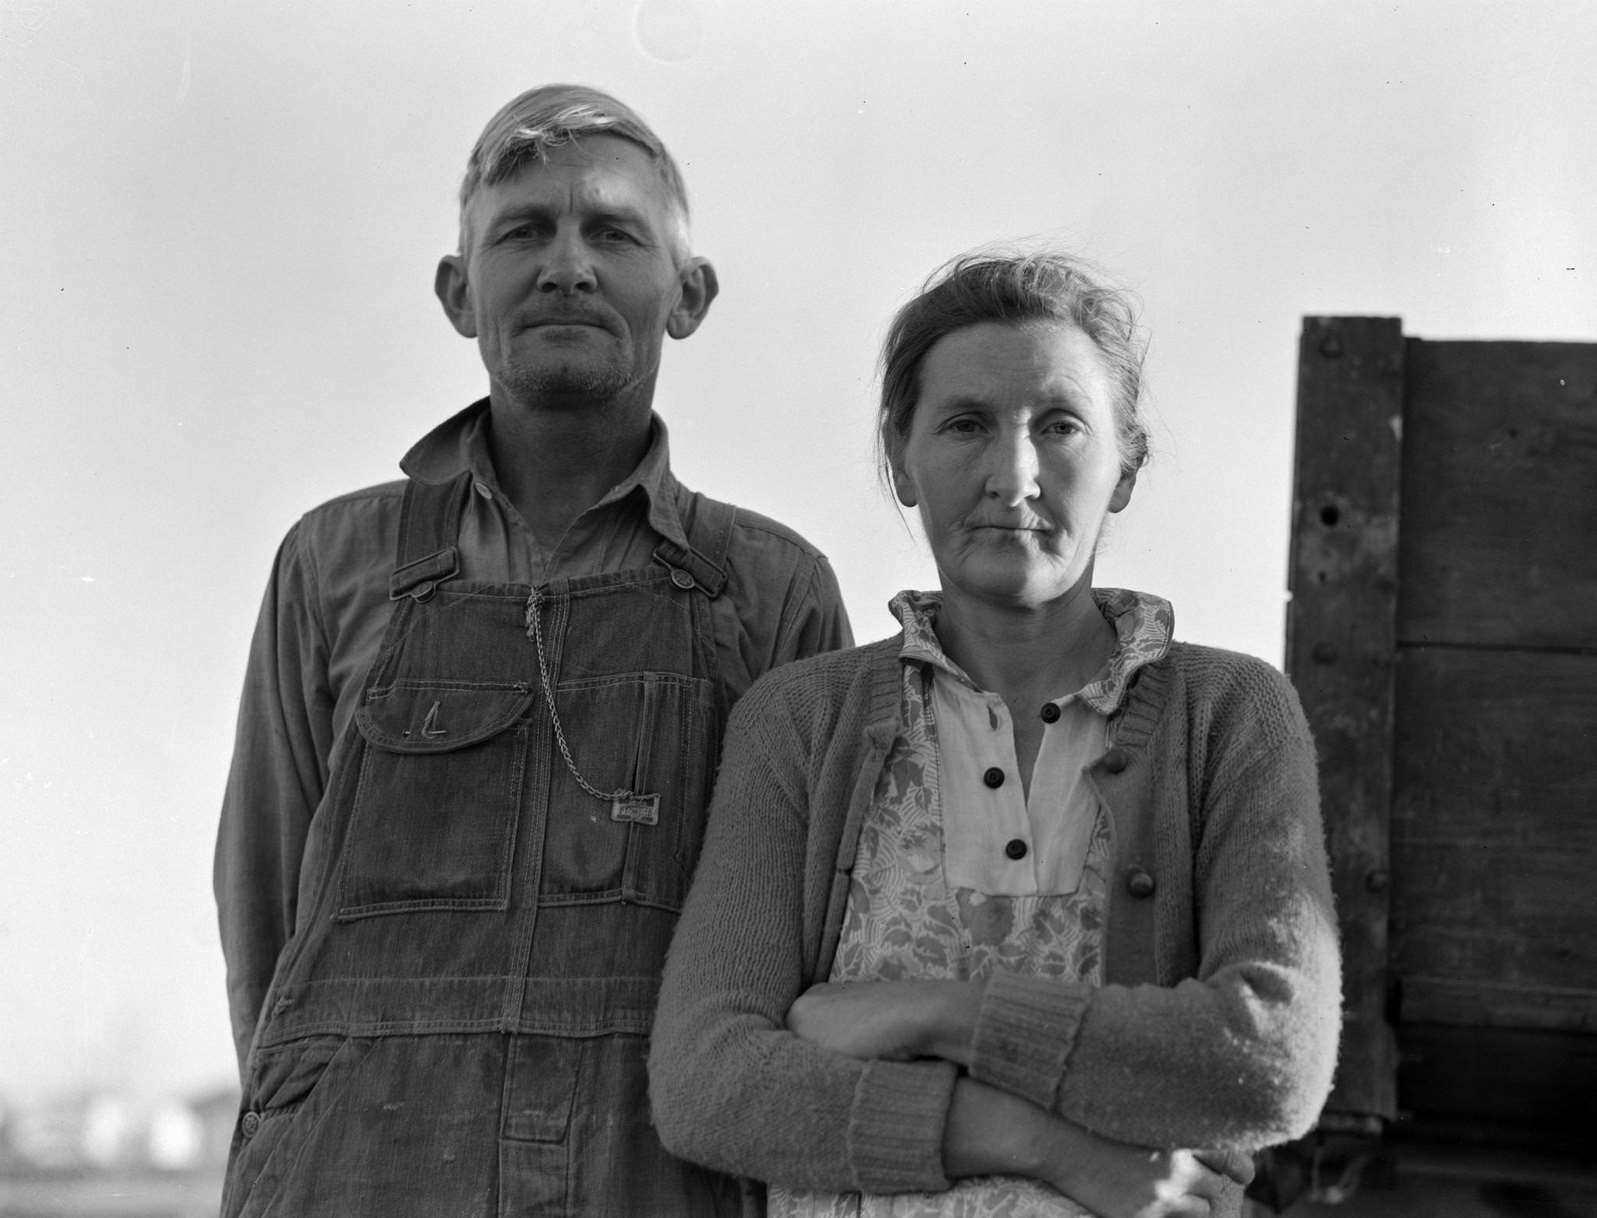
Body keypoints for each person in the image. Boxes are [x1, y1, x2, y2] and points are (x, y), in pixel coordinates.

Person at [214, 84, 851, 1216]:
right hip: (358, 1174)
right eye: (523, 233)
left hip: (656, 1174)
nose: (567, 266)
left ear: (689, 294)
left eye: (613, 232)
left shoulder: (771, 589)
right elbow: (262, 906)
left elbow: (806, 952)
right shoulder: (332, 562)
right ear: (460, 294)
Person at [649, 250, 1341, 1218]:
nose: (1011, 475)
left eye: (1058, 426)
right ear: (900, 455)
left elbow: (1269, 1059)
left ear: (1126, 463)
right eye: (966, 424)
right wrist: (1044, 1144)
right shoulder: (802, 721)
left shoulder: (1230, 717)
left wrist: (932, 1012)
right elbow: (707, 1085)